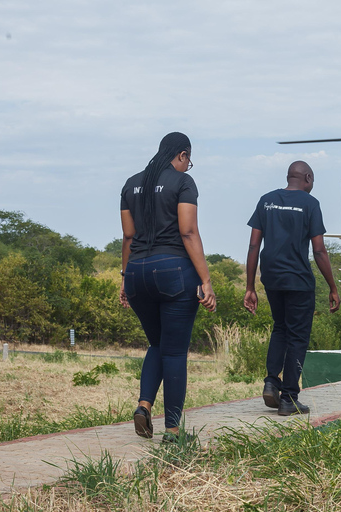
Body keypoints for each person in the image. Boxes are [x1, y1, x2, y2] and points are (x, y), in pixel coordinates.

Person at [119, 132, 216, 443]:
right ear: (183, 155)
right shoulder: (182, 182)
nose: (188, 166)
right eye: (189, 160)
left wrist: (125, 277)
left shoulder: (131, 183)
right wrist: (206, 280)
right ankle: (172, 431)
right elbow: (188, 232)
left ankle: (144, 405)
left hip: (137, 273)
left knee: (157, 344)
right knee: (174, 352)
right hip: (173, 272)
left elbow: (128, 237)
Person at [244, 161, 340, 416]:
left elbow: (253, 246)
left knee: (280, 327)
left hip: (272, 278)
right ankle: (289, 398)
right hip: (298, 280)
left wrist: (250, 286)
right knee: (298, 337)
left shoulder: (266, 200)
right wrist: (332, 287)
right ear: (307, 177)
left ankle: (271, 381)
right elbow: (319, 250)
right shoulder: (311, 204)